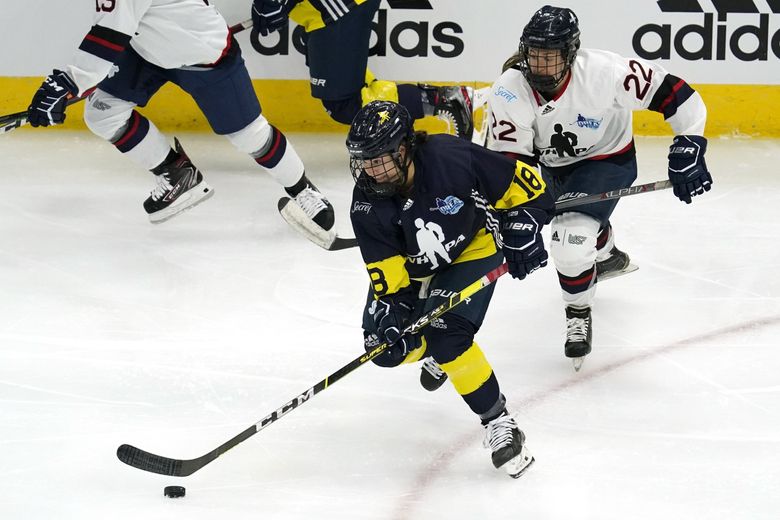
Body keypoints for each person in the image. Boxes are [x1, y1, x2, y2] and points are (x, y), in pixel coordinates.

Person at [484, 5, 713, 370]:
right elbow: (512, 166)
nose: (540, 66)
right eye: (534, 55)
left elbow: (678, 95)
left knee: (569, 238)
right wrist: (519, 214)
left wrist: (690, 143)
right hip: (547, 167)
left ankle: (577, 310)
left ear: (571, 53)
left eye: (551, 56)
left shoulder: (606, 73)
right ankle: (604, 251)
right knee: (576, 221)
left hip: (606, 161)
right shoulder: (509, 92)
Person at [346, 100, 554, 476]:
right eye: (365, 161)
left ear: (405, 147)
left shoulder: (452, 158)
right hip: (415, 268)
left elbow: (533, 189)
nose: (371, 171)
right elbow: (392, 283)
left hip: (472, 248)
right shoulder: (365, 204)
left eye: (380, 159)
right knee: (384, 348)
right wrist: (397, 317)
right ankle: (431, 347)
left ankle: (498, 422)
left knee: (449, 337)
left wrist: (526, 225)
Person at [26, 0, 335, 237]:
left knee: (249, 135)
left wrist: (68, 82)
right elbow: (112, 32)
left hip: (203, 53)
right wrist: (71, 83)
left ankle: (301, 189)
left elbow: (108, 35)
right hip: (146, 50)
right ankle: (178, 174)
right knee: (102, 113)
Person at [251, 0, 474, 139]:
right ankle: (400, 133)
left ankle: (442, 100)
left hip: (338, 9)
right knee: (351, 86)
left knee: (343, 103)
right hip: (324, 12)